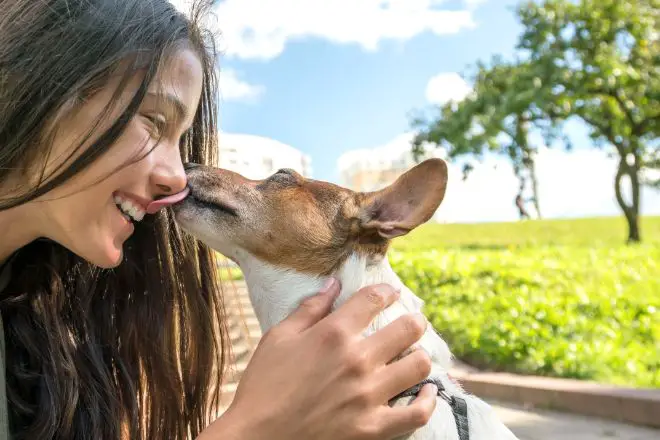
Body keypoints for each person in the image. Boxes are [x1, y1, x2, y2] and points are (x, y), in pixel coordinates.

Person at [0, 1, 437, 439]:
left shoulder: (42, 330)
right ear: (41, 82)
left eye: (180, 139)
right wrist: (257, 425)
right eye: (154, 121)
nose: (176, 178)